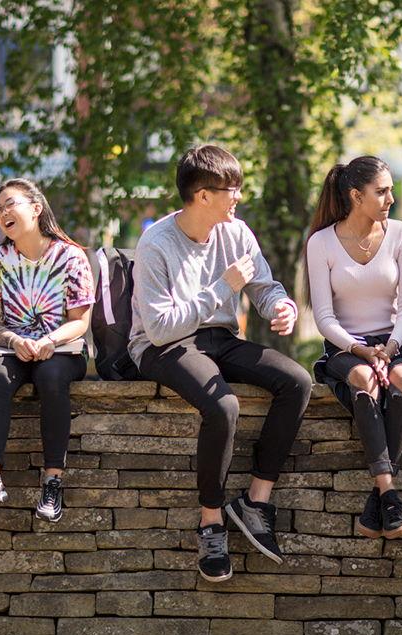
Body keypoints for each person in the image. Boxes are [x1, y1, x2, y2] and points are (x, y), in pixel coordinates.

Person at [129, 145, 312, 582]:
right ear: (201, 195)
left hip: (221, 338)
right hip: (165, 346)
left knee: (297, 381)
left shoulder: (237, 232)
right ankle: (211, 522)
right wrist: (220, 287)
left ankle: (255, 500)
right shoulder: (155, 243)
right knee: (223, 406)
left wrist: (280, 306)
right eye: (231, 190)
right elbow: (159, 328)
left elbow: (264, 286)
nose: (238, 198)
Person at [307, 156, 402, 539]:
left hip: (396, 340)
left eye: (391, 189)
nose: (391, 197)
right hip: (347, 347)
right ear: (356, 195)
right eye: (382, 191)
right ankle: (389, 492)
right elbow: (323, 318)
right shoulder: (321, 242)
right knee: (364, 381)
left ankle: (379, 500)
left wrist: (389, 349)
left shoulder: (401, 234)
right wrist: (362, 352)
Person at [0, 178, 94, 523]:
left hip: (63, 348)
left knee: (51, 376)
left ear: (36, 208)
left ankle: (53, 481)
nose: (2, 214)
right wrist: (15, 340)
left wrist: (48, 341)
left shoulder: (71, 256)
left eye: (10, 204)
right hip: (13, 349)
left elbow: (79, 322)